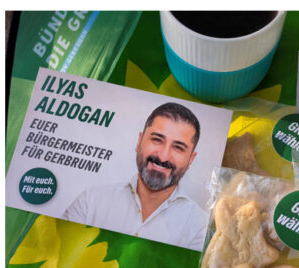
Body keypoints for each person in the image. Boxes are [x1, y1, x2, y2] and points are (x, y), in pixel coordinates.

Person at [63, 102, 206, 250]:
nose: (163, 157)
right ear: (139, 141)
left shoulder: (200, 228)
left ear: (191, 159)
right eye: (157, 140)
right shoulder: (90, 202)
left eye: (178, 147)